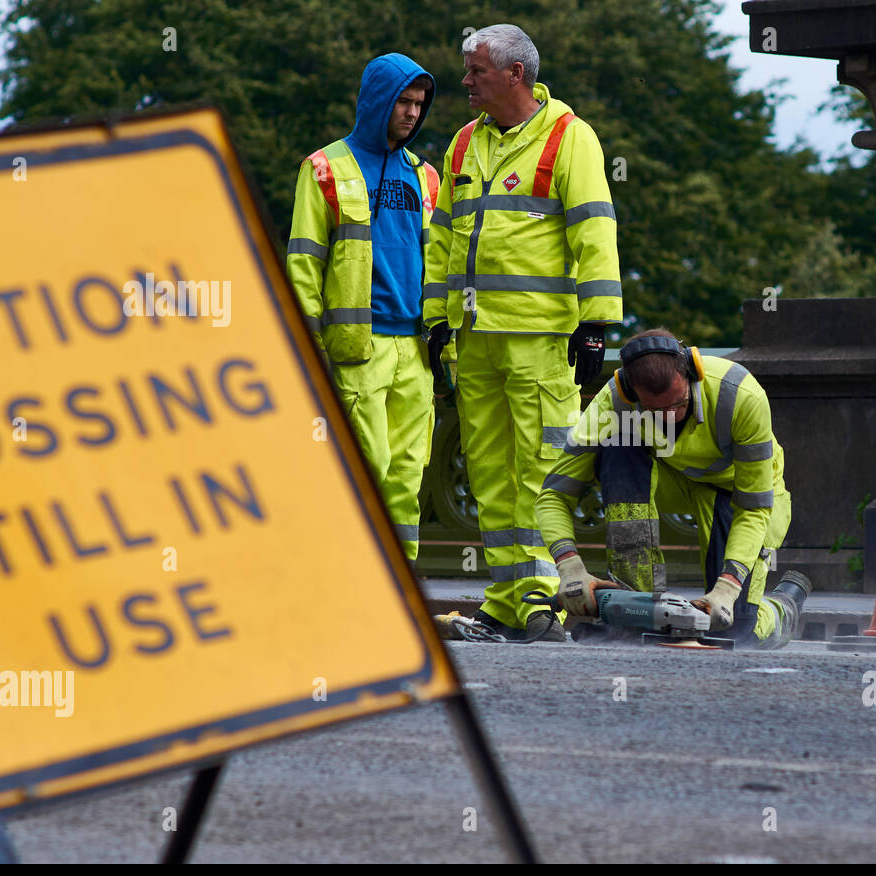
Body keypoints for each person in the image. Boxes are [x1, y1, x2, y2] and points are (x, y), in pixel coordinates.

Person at [424, 24, 622, 642]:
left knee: (539, 471)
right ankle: (509, 600)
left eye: (476, 70)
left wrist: (596, 325)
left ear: (516, 74)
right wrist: (435, 318)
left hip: (542, 341)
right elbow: (442, 240)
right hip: (476, 340)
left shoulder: (569, 137)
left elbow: (595, 230)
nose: (465, 81)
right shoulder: (463, 143)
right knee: (488, 474)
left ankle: (544, 600)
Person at [536, 329, 811, 648]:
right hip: (676, 481)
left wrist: (728, 587)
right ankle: (637, 607)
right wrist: (569, 567)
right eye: (656, 411)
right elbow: (553, 495)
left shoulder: (741, 395)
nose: (670, 417)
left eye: (678, 404)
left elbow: (752, 508)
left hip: (740, 494)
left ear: (692, 374)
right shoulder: (613, 404)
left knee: (735, 630)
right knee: (617, 446)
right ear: (631, 392)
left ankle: (782, 608)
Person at [286, 54, 440, 561]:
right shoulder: (324, 168)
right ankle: (345, 575)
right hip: (357, 347)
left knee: (407, 474)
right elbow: (304, 264)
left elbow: (439, 264)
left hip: (417, 349)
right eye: (404, 101)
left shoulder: (427, 177)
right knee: (364, 467)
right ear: (378, 100)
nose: (413, 113)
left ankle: (400, 582)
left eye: (420, 104)